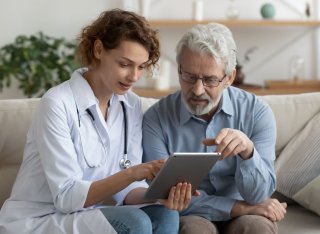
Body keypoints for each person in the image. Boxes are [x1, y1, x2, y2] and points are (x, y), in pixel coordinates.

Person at [0, 9, 193, 234]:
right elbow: (66, 197)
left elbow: (126, 191)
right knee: (135, 222)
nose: (134, 77)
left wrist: (161, 197)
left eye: (141, 67)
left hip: (88, 215)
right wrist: (134, 172)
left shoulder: (131, 105)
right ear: (99, 49)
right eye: (124, 64)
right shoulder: (56, 104)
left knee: (165, 215)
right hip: (42, 217)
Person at [142, 22, 287, 234]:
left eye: (210, 80)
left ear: (229, 78)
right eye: (189, 77)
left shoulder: (256, 112)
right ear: (179, 69)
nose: (198, 90)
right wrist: (238, 208)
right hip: (192, 215)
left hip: (248, 212)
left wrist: (248, 152)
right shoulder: (156, 119)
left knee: (257, 228)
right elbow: (162, 196)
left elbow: (259, 195)